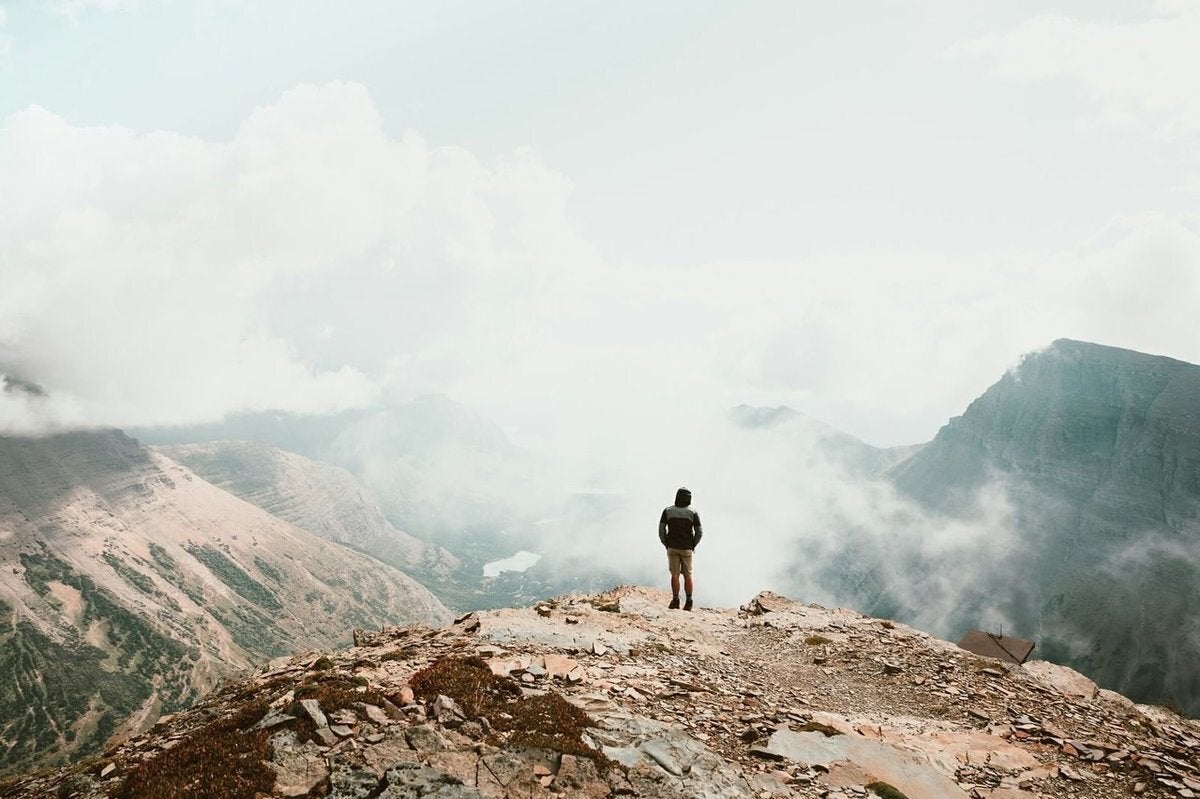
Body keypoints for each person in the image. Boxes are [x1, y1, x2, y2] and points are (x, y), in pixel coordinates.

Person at [658, 486, 702, 610]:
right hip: (687, 548)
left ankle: (675, 600)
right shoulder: (693, 513)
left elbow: (661, 530)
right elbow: (699, 531)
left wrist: (666, 543)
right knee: (688, 574)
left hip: (672, 547)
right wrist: (693, 544)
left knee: (675, 575)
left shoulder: (667, 511)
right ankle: (689, 601)